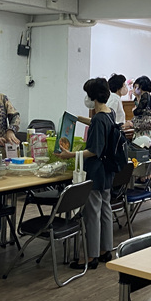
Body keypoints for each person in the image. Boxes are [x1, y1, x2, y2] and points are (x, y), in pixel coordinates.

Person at [58, 78, 116, 270]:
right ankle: (105, 250)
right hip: (107, 170)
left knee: (92, 213)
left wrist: (70, 155)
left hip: (96, 170)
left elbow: (93, 150)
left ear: (92, 97)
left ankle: (91, 257)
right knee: (105, 209)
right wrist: (78, 118)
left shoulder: (99, 119)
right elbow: (97, 123)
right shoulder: (109, 113)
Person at [130, 75, 151, 139]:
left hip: (144, 131)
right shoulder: (137, 99)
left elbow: (137, 112)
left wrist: (134, 110)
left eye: (136, 87)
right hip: (139, 130)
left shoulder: (146, 96)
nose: (134, 89)